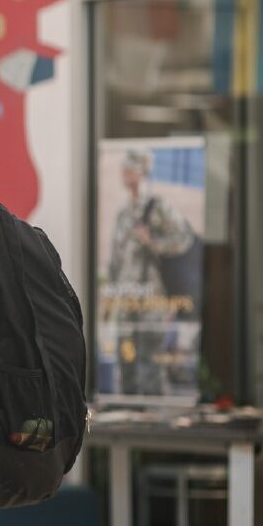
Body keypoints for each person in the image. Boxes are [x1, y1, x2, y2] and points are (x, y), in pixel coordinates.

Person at [102, 148, 197, 396]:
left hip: (151, 298)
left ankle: (151, 423)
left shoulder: (158, 207)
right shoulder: (123, 213)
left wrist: (153, 241)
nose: (125, 173)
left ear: (142, 171)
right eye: (124, 168)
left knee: (150, 365)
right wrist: (109, 298)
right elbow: (115, 259)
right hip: (126, 299)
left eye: (130, 168)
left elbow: (183, 239)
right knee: (127, 362)